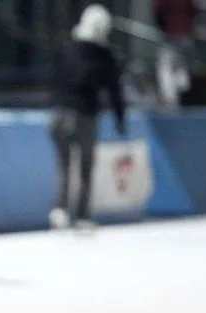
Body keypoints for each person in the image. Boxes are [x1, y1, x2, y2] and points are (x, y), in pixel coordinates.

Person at [48, 4, 127, 231]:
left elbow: (56, 79)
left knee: (64, 166)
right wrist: (120, 119)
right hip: (84, 115)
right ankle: (81, 215)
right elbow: (114, 90)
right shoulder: (104, 56)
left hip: (59, 113)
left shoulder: (67, 49)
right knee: (85, 166)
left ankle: (60, 210)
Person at [154, 0, 199, 110]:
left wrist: (162, 26)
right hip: (186, 34)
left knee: (164, 65)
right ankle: (182, 86)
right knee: (179, 63)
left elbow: (158, 11)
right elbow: (195, 10)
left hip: (171, 33)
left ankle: (170, 99)